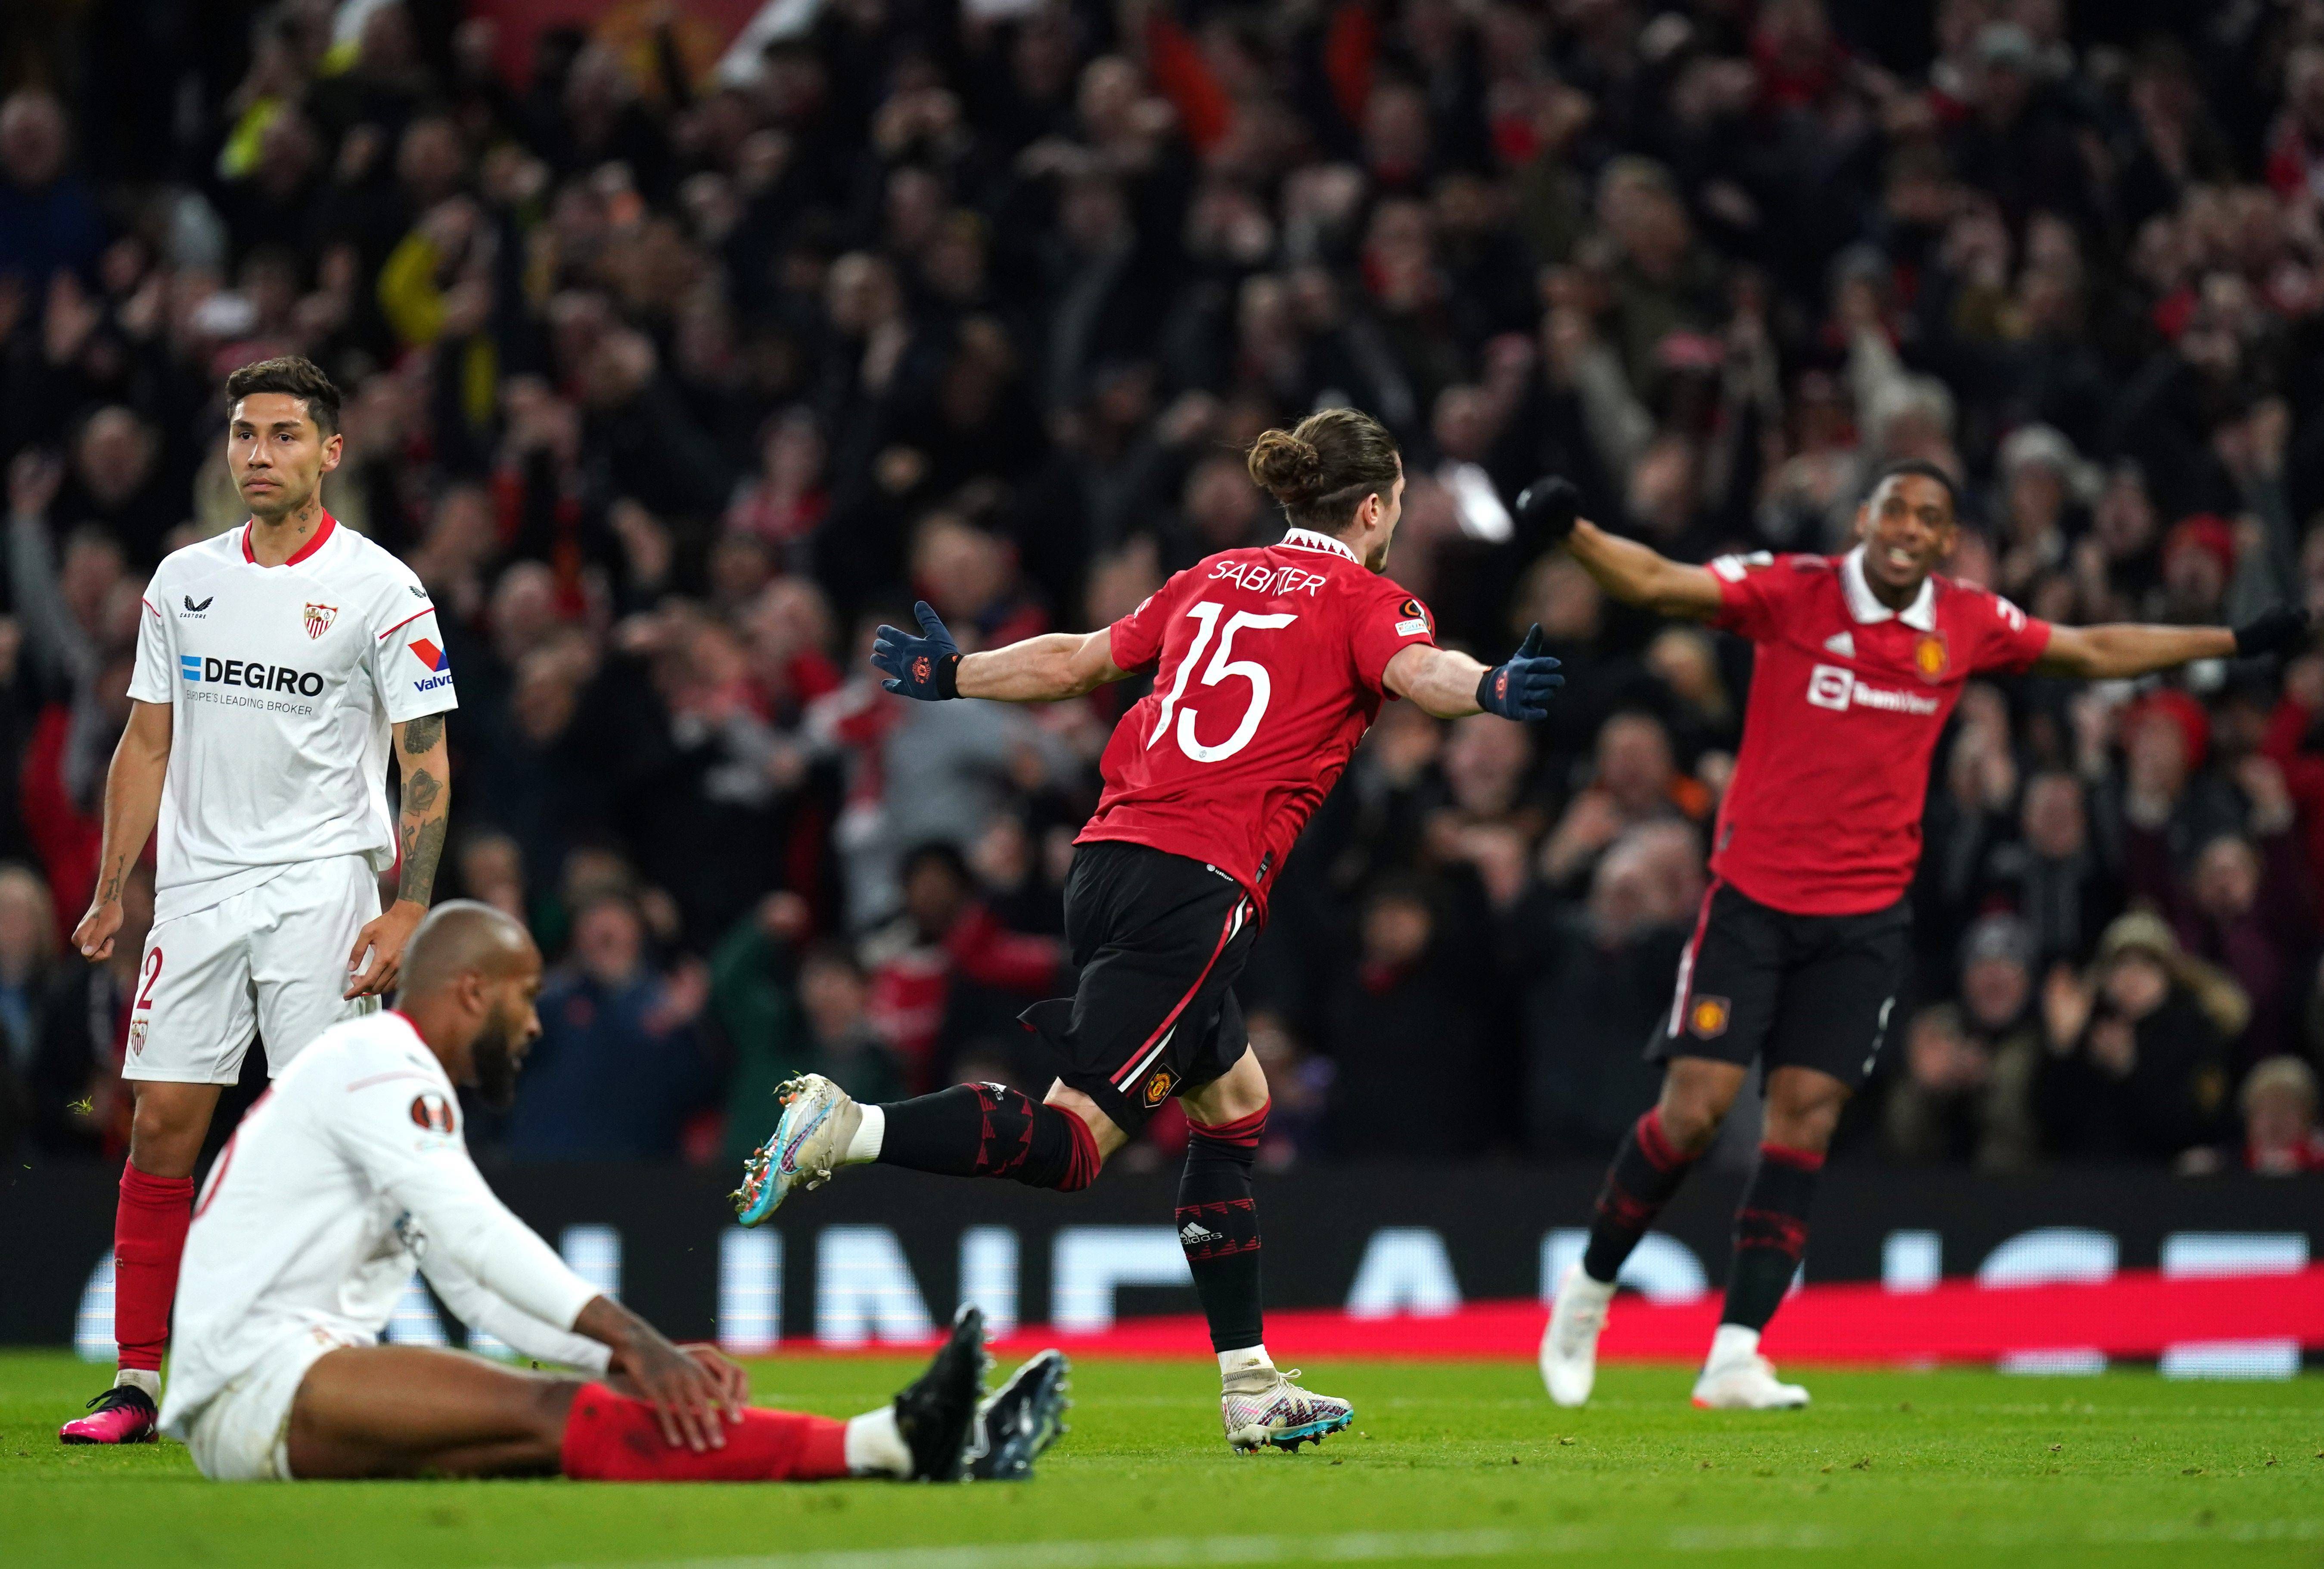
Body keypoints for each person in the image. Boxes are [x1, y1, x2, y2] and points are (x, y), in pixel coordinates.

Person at [732, 407, 1564, 1451]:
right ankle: (850, 1128)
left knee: (1237, 1102)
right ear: (1370, 506)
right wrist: (1487, 685)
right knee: (1074, 1144)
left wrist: (955, 675)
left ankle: (1250, 1382)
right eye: (1394, 500)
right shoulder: (1371, 597)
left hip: (1108, 860)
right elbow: (1417, 673)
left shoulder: (1212, 575)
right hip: (1196, 884)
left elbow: (1079, 660)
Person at [1526, 462, 2313, 1410]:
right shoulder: (1794, 591)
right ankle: (1591, 1288)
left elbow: (2094, 646)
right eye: (1894, 507)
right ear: (1863, 518)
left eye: (1929, 516)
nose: (1907, 526)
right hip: (1752, 901)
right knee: (1693, 1112)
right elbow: (1658, 582)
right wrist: (1573, 532)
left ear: (1946, 542)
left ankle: (1735, 1352)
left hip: (1863, 920)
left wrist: (2231, 639)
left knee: (1805, 1118)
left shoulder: (1966, 620)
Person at [150, 901, 1068, 1483]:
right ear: (471, 992)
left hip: (272, 1381)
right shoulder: (379, 1063)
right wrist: (632, 1338)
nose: (536, 1021)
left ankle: (891, 1446)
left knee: (559, 1434)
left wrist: (614, 1358)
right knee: (546, 1416)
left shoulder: (377, 1075)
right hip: (258, 1375)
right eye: (525, 995)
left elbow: (468, 1288)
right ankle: (887, 1444)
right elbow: (474, 1236)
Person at [59, 357, 460, 1444]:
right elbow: (148, 743)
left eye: (284, 435)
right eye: (245, 435)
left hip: (324, 890)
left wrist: (407, 906)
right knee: (159, 1126)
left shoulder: (384, 589)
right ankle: (138, 1382)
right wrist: (111, 892)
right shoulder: (182, 581)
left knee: (329, 1128)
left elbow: (422, 759)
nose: (259, 455)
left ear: (331, 452)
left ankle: (337, 1361)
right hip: (196, 893)